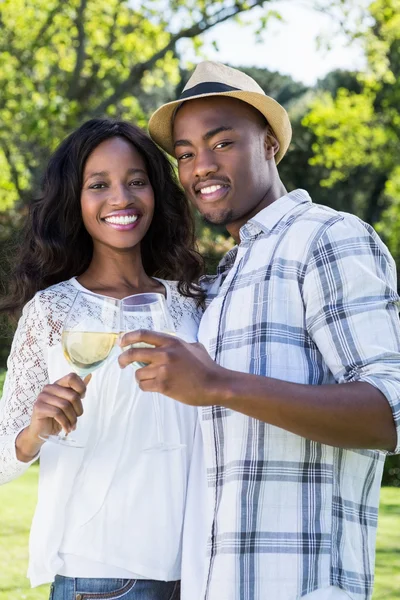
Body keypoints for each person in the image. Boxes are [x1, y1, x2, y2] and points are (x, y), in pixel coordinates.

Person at [118, 61, 400, 600]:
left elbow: (391, 411)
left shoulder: (328, 238)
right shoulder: (224, 277)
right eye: (184, 154)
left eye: (222, 142)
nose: (201, 166)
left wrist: (220, 385)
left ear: (270, 144)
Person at [0, 118, 205, 599]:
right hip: (102, 575)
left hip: (202, 570)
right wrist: (35, 432)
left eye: (137, 181)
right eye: (99, 185)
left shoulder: (195, 304)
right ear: (76, 200)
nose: (122, 198)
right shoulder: (52, 312)